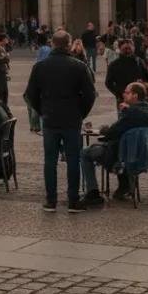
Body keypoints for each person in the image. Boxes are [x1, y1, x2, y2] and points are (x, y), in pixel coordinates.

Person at [23, 30, 95, 213]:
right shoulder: (78, 66)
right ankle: (73, 200)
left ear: (53, 44)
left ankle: (51, 200)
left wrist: (42, 111)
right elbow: (90, 94)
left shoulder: (40, 66)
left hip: (50, 118)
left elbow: (30, 94)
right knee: (73, 159)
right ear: (69, 44)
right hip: (72, 118)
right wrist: (81, 113)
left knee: (50, 160)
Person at [79, 82, 148, 205]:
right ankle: (124, 183)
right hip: (138, 152)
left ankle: (92, 192)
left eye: (127, 92)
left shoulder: (131, 113)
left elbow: (112, 132)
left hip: (119, 156)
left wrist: (103, 129)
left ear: (135, 96)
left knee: (84, 152)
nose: (123, 94)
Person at [105, 40, 148, 116]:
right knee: (124, 120)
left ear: (133, 48)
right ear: (120, 49)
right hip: (123, 98)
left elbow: (147, 77)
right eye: (125, 48)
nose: (128, 50)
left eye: (129, 48)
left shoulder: (139, 61)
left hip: (139, 98)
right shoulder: (114, 64)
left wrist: (145, 84)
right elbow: (108, 82)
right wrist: (119, 93)